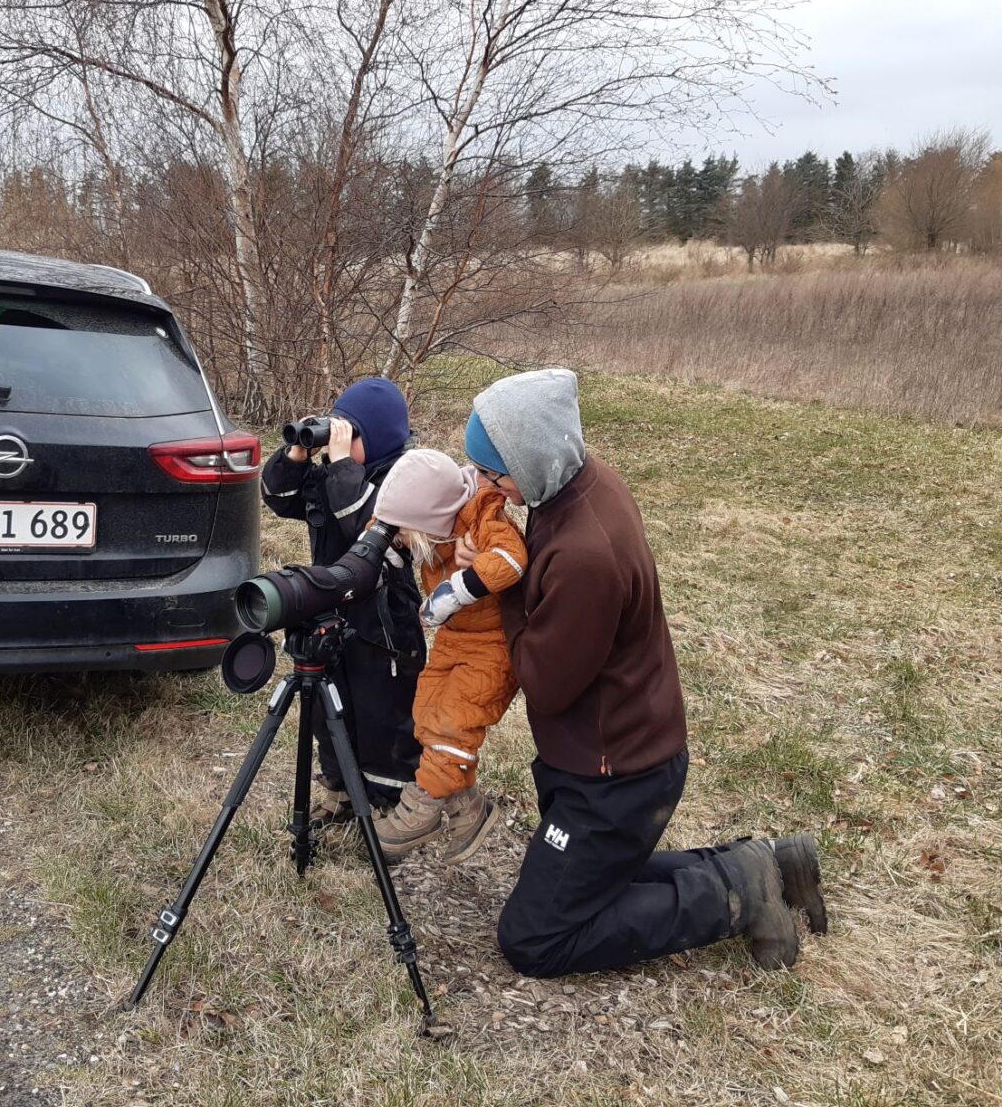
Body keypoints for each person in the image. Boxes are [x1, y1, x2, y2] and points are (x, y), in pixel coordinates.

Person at [457, 368, 828, 976]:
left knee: (535, 938)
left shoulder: (584, 557)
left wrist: (500, 587)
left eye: (493, 473)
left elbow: (545, 685)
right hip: (621, 752)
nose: (485, 487)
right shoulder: (579, 481)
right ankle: (769, 863)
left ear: (532, 460)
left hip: (614, 779)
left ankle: (736, 899)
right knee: (585, 883)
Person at [260, 378, 425, 821]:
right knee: (328, 700)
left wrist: (339, 466)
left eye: (350, 435)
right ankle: (339, 787)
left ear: (375, 439)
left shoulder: (401, 479)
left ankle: (387, 801)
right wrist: (298, 453)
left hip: (383, 617)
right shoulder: (335, 475)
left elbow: (366, 524)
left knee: (383, 710)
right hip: (331, 604)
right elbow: (277, 497)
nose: (339, 443)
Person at [367, 448, 527, 864]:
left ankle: (420, 806)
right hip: (455, 637)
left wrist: (456, 590)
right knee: (427, 712)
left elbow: (511, 560)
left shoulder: (483, 515)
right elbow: (393, 519)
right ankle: (469, 810)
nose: (402, 539)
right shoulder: (428, 515)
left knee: (455, 726)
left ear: (430, 521)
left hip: (492, 645)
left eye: (404, 532)